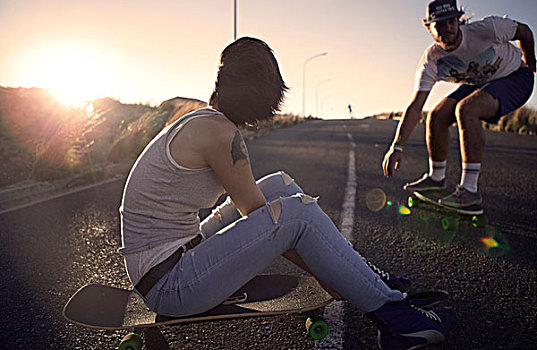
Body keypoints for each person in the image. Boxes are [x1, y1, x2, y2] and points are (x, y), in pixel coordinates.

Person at [119, 37, 454, 349]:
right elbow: (267, 220)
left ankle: (370, 279)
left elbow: (257, 207)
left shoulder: (203, 120)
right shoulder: (220, 132)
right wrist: (324, 272)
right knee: (298, 215)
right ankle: (400, 321)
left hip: (173, 257)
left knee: (278, 183)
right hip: (170, 285)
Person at [382, 0, 535, 210]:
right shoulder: (432, 60)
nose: (447, 29)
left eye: (451, 22)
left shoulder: (488, 29)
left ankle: (469, 191)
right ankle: (436, 178)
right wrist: (396, 146)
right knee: (436, 115)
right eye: (439, 25)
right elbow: (416, 106)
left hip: (515, 77)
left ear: (458, 20)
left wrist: (530, 60)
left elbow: (524, 31)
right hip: (481, 83)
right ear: (429, 28)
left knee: (466, 109)